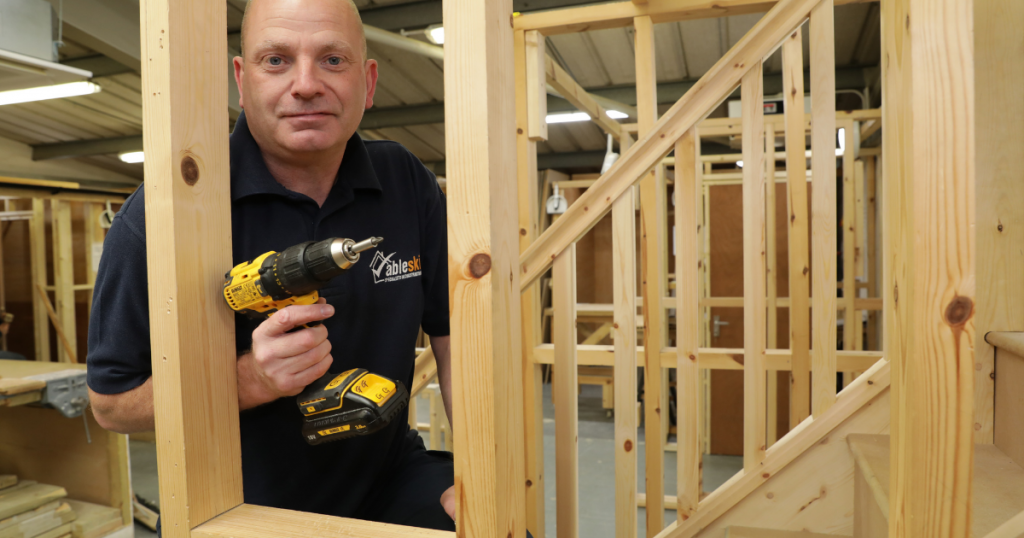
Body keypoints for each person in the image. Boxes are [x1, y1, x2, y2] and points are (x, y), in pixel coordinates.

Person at [85, 0, 455, 531]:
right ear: (242, 78)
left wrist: (480, 479)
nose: (306, 84)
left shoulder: (405, 180)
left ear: (368, 82)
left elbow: (454, 337)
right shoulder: (168, 210)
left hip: (388, 477)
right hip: (233, 502)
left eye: (332, 60)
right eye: (276, 60)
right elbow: (111, 405)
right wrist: (247, 380)